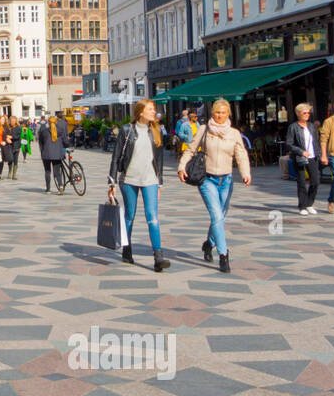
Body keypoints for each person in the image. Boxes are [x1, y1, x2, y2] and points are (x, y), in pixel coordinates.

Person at [178, 98, 251, 274]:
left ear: (228, 114)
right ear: (213, 113)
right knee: (217, 216)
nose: (220, 115)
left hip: (226, 180)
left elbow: (240, 154)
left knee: (221, 217)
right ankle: (223, 255)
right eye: (217, 112)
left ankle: (208, 244)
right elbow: (190, 150)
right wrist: (181, 167)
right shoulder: (204, 130)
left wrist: (245, 173)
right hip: (207, 179)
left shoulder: (234, 133)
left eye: (223, 112)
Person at [107, 99, 170, 272]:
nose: (153, 112)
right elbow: (116, 156)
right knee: (129, 216)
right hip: (129, 179)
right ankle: (127, 249)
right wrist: (111, 181)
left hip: (150, 179)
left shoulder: (156, 131)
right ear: (140, 112)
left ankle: (158, 256)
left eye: (154, 109)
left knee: (153, 217)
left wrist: (159, 183)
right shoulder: (127, 130)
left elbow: (159, 160)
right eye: (150, 109)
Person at [286, 104, 320, 216]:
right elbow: (289, 144)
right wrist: (301, 152)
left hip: (312, 156)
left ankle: (309, 203)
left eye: (308, 113)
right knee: (301, 182)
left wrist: (319, 154)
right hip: (299, 157)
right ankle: (302, 206)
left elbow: (316, 141)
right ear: (298, 113)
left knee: (315, 180)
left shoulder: (311, 126)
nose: (307, 115)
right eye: (304, 113)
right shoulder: (293, 127)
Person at [39, 111, 70, 193]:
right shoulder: (60, 130)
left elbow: (41, 143)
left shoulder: (44, 131)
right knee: (57, 172)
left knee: (47, 171)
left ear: (48, 123)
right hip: (57, 154)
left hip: (46, 154)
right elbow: (65, 142)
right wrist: (67, 146)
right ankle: (60, 186)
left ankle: (48, 189)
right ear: (56, 122)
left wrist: (42, 152)